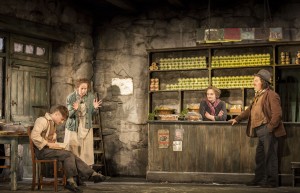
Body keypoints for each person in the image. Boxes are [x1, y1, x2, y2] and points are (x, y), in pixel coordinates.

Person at [229, 69, 286, 188]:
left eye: (256, 81)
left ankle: (272, 182)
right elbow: (250, 110)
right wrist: (237, 119)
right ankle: (259, 180)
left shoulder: (271, 95)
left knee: (270, 156)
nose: (253, 83)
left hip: (268, 129)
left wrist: (269, 128)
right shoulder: (258, 96)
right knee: (260, 157)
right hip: (260, 130)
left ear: (263, 82)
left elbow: (277, 114)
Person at [31, 105, 107, 193]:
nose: (62, 122)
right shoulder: (42, 120)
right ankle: (76, 180)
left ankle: (83, 177)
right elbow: (34, 136)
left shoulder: (52, 123)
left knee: (70, 154)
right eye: (62, 119)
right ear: (56, 114)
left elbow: (48, 137)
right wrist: (48, 143)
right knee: (68, 154)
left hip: (48, 150)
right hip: (41, 152)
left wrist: (54, 142)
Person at [64, 78, 102, 166]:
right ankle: (72, 173)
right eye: (82, 88)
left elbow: (92, 114)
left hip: (86, 125)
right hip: (74, 126)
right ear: (77, 88)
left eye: (86, 88)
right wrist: (75, 109)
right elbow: (69, 115)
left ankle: (85, 172)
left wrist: (95, 108)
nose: (84, 91)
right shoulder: (71, 97)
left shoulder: (91, 96)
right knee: (73, 149)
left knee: (86, 150)